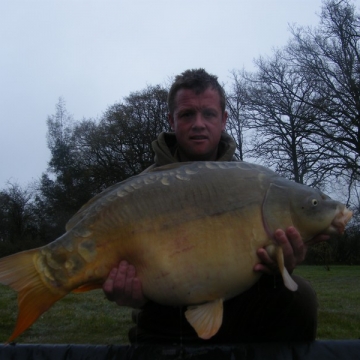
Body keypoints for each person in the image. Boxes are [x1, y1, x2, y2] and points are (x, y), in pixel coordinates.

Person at [103, 68, 328, 344]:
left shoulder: (251, 182)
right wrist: (131, 293)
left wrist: (283, 265)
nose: (199, 123)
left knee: (300, 297)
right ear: (171, 120)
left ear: (223, 120)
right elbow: (128, 276)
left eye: (208, 114)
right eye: (187, 114)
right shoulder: (144, 189)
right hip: (165, 313)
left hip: (240, 304)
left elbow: (268, 259)